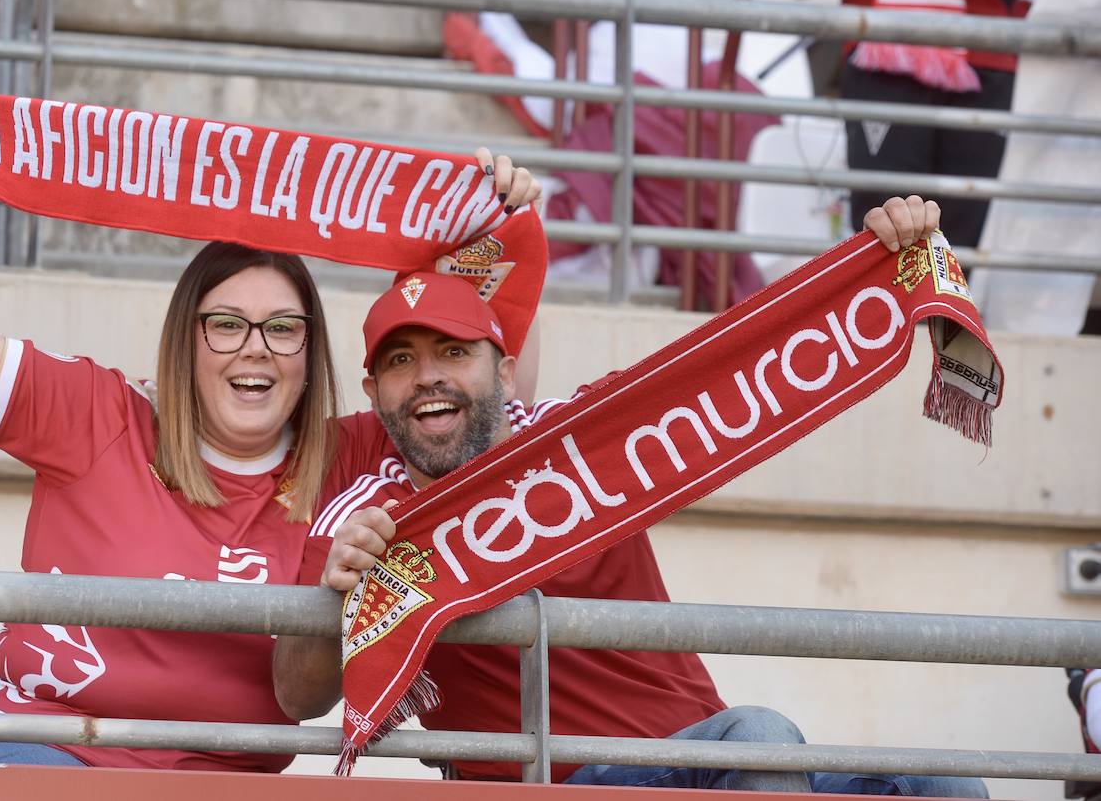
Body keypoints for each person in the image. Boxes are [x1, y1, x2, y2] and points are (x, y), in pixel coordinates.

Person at [0, 76, 543, 770]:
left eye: (283, 329)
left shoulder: (349, 460)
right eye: (226, 325)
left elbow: (479, 406)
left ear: (311, 356)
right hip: (30, 746)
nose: (255, 346)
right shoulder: (101, 415)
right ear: (185, 343)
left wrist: (499, 232)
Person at [273, 196, 988, 795]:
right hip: (569, 782)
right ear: (372, 394)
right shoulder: (369, 516)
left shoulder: (581, 433)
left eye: (454, 352)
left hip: (702, 758)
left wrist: (866, 259)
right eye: (402, 361)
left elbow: (741, 359)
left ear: (506, 370)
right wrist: (339, 598)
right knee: (760, 738)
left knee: (948, 783)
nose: (429, 376)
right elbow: (295, 697)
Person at [786, 0, 1053, 250]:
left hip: (979, 67)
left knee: (967, 218)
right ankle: (887, 307)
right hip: (883, 67)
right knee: (884, 215)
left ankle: (952, 307)